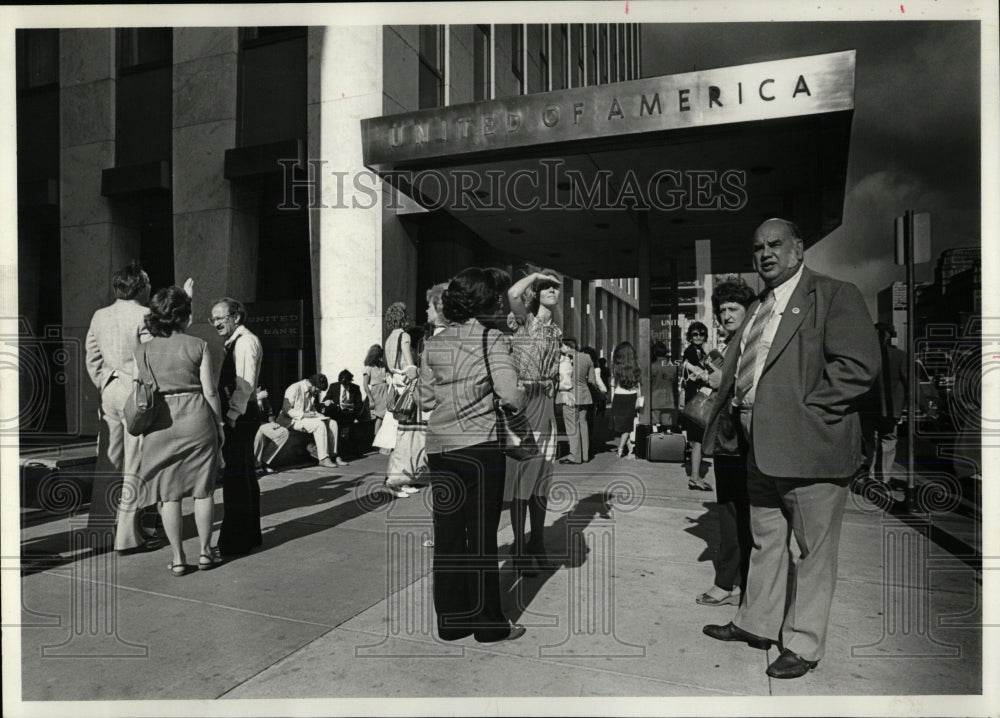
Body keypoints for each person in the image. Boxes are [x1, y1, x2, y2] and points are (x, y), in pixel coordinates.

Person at [702, 218, 879, 679]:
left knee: (813, 552)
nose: (765, 253)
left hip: (811, 448)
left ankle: (803, 643)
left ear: (799, 248)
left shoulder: (835, 294)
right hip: (757, 449)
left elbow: (859, 366)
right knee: (766, 541)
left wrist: (809, 410)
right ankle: (757, 623)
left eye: (775, 244)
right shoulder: (759, 305)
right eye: (757, 246)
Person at [418, 267, 527, 643]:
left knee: (447, 536)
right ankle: (488, 624)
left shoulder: (432, 344)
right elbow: (511, 396)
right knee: (481, 536)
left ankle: (451, 623)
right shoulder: (491, 338)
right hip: (480, 447)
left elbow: (425, 399)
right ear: (485, 302)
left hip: (441, 449)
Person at [134, 286, 224, 575]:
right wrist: (219, 426)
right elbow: (210, 391)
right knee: (203, 490)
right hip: (197, 419)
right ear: (184, 316)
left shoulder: (144, 350)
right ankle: (206, 552)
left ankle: (177, 558)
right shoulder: (199, 345)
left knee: (168, 495)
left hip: (160, 423)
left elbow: (142, 389)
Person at [84, 260, 152, 552]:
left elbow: (92, 355)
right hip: (134, 391)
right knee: (134, 463)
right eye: (147, 283)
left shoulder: (100, 315)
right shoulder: (145, 314)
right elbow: (149, 358)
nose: (150, 287)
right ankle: (127, 537)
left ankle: (99, 530)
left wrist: (103, 382)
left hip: (109, 389)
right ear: (140, 286)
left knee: (108, 460)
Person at [696, 279, 756, 608]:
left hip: (742, 440)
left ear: (748, 312)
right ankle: (734, 582)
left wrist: (722, 380)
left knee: (742, 514)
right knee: (731, 511)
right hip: (727, 439)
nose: (726, 315)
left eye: (733, 309)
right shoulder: (733, 341)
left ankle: (735, 583)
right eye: (721, 311)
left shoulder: (751, 341)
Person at [504, 270, 562, 576]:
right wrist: (537, 274)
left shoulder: (556, 332)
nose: (553, 290)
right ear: (537, 292)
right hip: (525, 406)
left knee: (542, 480)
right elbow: (513, 295)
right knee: (522, 481)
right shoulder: (526, 321)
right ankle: (519, 546)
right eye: (546, 287)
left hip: (546, 406)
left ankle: (536, 542)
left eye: (556, 286)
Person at [210, 297, 264, 557]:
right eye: (214, 318)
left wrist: (231, 416)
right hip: (244, 415)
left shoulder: (244, 343)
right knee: (244, 477)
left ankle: (234, 542)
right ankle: (248, 536)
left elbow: (245, 384)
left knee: (236, 479)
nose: (216, 323)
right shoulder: (237, 342)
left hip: (241, 416)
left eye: (221, 317)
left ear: (236, 317)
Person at [380, 302, 423, 497]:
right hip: (406, 389)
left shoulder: (389, 338)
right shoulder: (404, 336)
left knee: (399, 437)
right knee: (405, 437)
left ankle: (401, 479)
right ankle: (396, 480)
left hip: (395, 390)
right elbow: (410, 367)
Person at [861, 323, 907, 486]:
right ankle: (884, 478)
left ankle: (872, 474)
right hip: (891, 408)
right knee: (887, 441)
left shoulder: (865, 357)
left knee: (871, 441)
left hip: (867, 407)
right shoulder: (900, 356)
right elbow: (910, 383)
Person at [277, 373, 348, 468]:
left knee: (332, 423)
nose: (318, 393)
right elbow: (286, 410)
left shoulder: (311, 391)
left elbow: (312, 409)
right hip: (290, 420)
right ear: (313, 385)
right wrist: (304, 414)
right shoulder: (294, 388)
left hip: (304, 419)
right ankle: (323, 459)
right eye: (318, 390)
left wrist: (321, 416)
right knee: (319, 425)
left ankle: (333, 455)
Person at [557, 337, 599, 464]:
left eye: (561, 346)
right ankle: (585, 455)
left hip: (570, 395)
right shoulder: (587, 357)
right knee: (583, 424)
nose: (560, 349)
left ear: (567, 346)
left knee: (572, 426)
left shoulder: (564, 359)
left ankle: (575, 456)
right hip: (585, 396)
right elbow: (592, 381)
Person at [682, 321, 713, 491]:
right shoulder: (690, 352)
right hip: (695, 400)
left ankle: (695, 476)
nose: (699, 337)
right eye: (695, 334)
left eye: (701, 334)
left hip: (697, 398)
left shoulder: (700, 351)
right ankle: (694, 477)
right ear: (690, 336)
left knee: (698, 440)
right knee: (697, 440)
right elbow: (698, 372)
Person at [609, 341, 642, 458]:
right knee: (628, 425)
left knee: (622, 426)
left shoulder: (615, 368)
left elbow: (613, 385)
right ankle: (622, 447)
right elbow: (639, 385)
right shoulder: (637, 367)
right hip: (631, 397)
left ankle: (625, 447)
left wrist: (612, 400)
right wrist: (639, 398)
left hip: (618, 397)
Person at [361, 344, 391, 440]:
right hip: (377, 393)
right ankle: (377, 439)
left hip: (386, 390)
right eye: (378, 356)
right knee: (380, 417)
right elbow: (365, 385)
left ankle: (381, 439)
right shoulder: (368, 368)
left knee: (386, 416)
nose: (380, 358)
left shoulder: (382, 365)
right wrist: (371, 399)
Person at [649, 341, 679, 430]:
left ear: (654, 352)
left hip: (655, 398)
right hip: (668, 398)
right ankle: (666, 441)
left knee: (655, 423)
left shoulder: (652, 366)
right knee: (667, 424)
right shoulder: (672, 366)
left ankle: (655, 441)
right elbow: (673, 381)